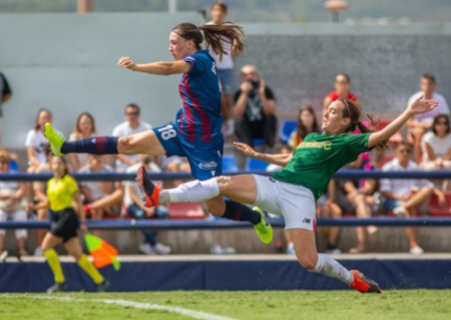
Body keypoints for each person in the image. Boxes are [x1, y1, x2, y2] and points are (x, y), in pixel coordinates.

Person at [137, 96, 439, 293]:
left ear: (345, 122)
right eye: (328, 109)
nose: (327, 113)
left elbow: (380, 136)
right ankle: (158, 196)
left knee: (307, 261)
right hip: (276, 184)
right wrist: (260, 155)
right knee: (224, 182)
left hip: (301, 198)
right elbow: (292, 159)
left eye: (333, 112)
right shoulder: (311, 137)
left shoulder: (347, 142)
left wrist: (409, 113)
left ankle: (352, 278)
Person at [44, 22, 273, 244]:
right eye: (169, 43)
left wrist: (136, 67)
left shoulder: (201, 60)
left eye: (174, 42)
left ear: (191, 44)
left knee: (214, 207)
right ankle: (64, 146)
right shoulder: (195, 63)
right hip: (181, 130)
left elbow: (167, 68)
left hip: (205, 143)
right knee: (127, 143)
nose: (170, 47)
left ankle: (256, 217)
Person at [27, 156, 109, 293]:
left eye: (60, 163)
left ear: (65, 166)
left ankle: (60, 281)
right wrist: (34, 208)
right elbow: (49, 203)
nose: (57, 166)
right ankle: (100, 280)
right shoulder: (51, 182)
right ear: (50, 165)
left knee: (46, 246)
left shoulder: (69, 181)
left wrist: (82, 221)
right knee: (77, 254)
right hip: (58, 216)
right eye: (54, 163)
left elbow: (78, 202)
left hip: (67, 216)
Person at [380, 142, 445, 254]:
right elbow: (385, 192)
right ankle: (413, 244)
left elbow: (427, 184)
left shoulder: (414, 167)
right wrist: (401, 197)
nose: (405, 153)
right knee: (411, 208)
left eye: (408, 151)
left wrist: (439, 193)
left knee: (426, 191)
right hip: (393, 201)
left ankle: (404, 207)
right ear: (397, 153)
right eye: (402, 151)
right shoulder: (388, 167)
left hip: (407, 200)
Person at [125, 155, 171, 255]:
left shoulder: (157, 171)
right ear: (139, 154)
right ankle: (154, 244)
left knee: (164, 213)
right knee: (140, 214)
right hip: (134, 204)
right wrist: (145, 208)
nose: (147, 154)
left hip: (151, 203)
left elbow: (157, 193)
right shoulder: (131, 170)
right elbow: (132, 195)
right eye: (144, 151)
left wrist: (152, 206)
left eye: (149, 152)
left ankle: (147, 243)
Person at [0, 151, 28, 256]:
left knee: (21, 215)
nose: (0, 165)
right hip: (0, 206)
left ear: (8, 164)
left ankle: (21, 248)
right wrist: (8, 196)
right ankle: (0, 247)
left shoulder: (14, 174)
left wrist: (14, 197)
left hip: (16, 205)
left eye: (3, 162)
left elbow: (23, 189)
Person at [335, 155, 380, 254]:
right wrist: (364, 197)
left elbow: (369, 188)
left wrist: (362, 196)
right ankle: (369, 224)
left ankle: (361, 246)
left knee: (360, 203)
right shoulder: (345, 168)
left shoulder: (369, 167)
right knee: (361, 200)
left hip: (367, 200)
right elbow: (349, 188)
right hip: (349, 200)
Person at [407, 74, 450, 162]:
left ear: (434, 85)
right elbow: (409, 122)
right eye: (424, 83)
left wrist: (436, 125)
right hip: (419, 129)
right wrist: (424, 125)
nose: (427, 86)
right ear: (420, 85)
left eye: (429, 84)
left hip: (437, 128)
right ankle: (419, 164)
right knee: (419, 133)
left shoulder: (440, 99)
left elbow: (445, 119)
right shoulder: (415, 99)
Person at [207, 1, 235, 136]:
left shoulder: (229, 28)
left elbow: (235, 46)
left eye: (220, 11)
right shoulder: (207, 27)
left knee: (227, 98)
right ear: (212, 11)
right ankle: (220, 123)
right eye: (215, 10)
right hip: (213, 67)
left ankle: (229, 123)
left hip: (227, 67)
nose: (218, 13)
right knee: (219, 96)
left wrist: (229, 57)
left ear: (224, 13)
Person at [233, 65, 277, 148]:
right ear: (242, 77)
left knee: (271, 118)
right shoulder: (238, 93)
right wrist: (244, 94)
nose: (249, 77)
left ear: (257, 75)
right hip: (248, 129)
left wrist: (262, 95)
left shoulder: (266, 91)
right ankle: (248, 146)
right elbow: (237, 113)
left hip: (262, 126)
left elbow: (270, 111)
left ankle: (269, 145)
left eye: (252, 74)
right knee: (239, 120)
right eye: (246, 75)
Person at [111, 104, 152, 172]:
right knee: (119, 177)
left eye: (135, 113)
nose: (132, 116)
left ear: (139, 115)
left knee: (158, 175)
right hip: (124, 164)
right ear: (125, 116)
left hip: (145, 163)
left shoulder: (148, 128)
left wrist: (146, 158)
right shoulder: (119, 129)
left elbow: (153, 147)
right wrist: (130, 162)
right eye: (130, 114)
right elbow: (114, 150)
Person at [78, 155, 115, 221]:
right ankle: (95, 231)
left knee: (97, 209)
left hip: (106, 201)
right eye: (95, 156)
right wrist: (99, 204)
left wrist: (99, 173)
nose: (98, 159)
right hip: (91, 202)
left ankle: (94, 231)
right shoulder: (82, 172)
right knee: (97, 210)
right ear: (89, 158)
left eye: (99, 156)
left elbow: (107, 191)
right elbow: (87, 195)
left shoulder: (109, 170)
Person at [26, 109, 52, 173]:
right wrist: (41, 166)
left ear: (51, 120)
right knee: (30, 172)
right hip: (36, 165)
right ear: (38, 120)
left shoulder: (57, 134)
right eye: (43, 118)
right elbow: (31, 156)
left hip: (52, 165)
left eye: (48, 118)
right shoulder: (32, 134)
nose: (46, 120)